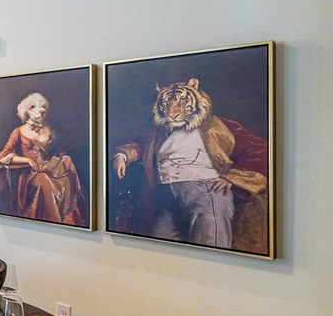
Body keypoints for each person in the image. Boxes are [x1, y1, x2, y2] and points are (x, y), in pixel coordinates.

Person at [111, 78, 268, 253]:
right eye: (167, 104)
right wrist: (122, 155)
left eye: (182, 102)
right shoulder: (157, 132)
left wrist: (233, 177)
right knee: (159, 249)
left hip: (206, 192)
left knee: (209, 249)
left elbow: (260, 149)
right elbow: (138, 146)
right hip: (166, 197)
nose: (172, 111)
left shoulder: (219, 126)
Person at [0, 92, 86, 225]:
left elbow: (59, 151)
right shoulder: (18, 131)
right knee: (43, 181)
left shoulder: (50, 130)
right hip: (27, 172)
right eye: (33, 106)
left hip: (48, 167)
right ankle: (51, 222)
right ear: (26, 112)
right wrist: (27, 160)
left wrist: (64, 158)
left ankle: (66, 223)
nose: (41, 110)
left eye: (42, 106)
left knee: (67, 176)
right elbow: (5, 155)